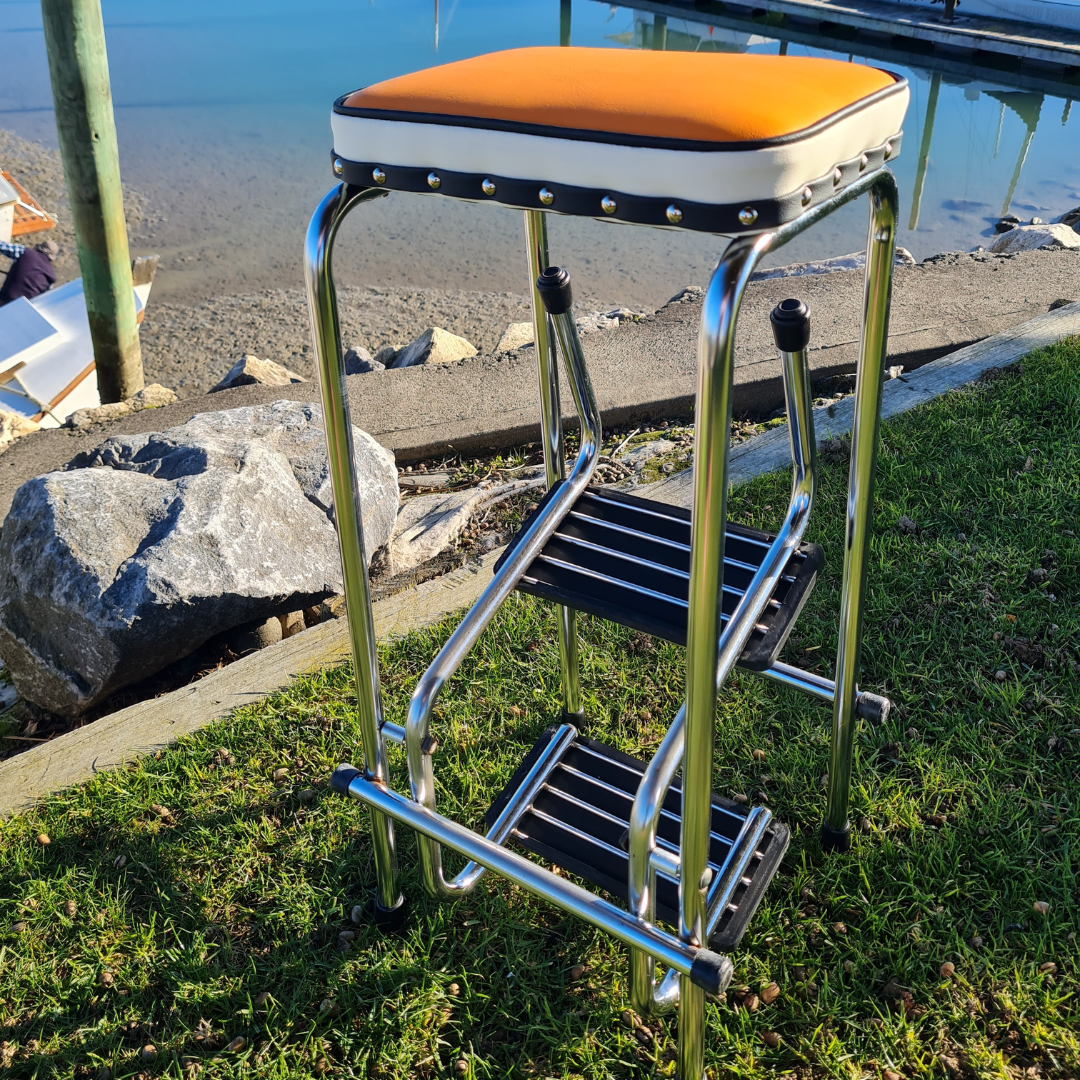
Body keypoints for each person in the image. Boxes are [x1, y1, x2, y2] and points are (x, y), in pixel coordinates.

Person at [0, 239, 59, 307]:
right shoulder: (51, 277)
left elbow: (2, 246)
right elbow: (43, 299)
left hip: (4, 301)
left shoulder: (24, 252)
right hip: (25, 309)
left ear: (39, 247)